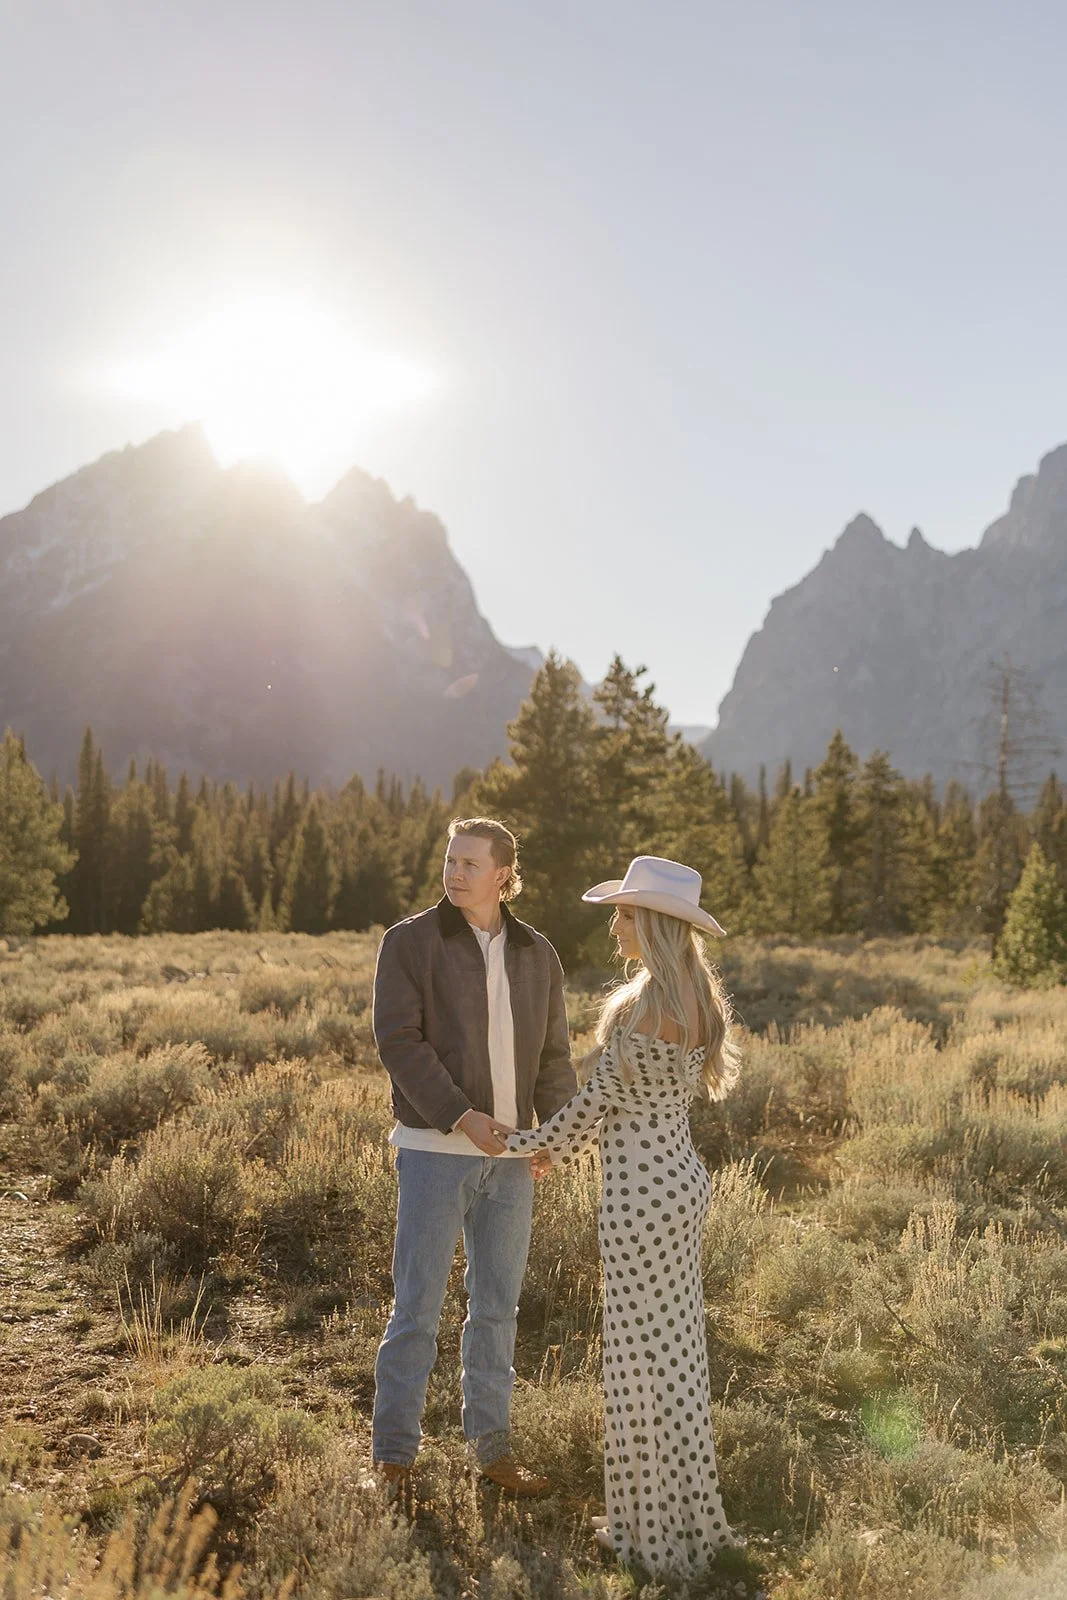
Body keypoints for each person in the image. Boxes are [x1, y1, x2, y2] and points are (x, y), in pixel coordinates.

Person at [504, 855, 742, 1577]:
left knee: (639, 1364)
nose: (614, 926)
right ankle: (678, 1518)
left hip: (638, 1197)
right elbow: (625, 1109)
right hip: (680, 1185)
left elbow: (591, 1108)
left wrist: (519, 1145)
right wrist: (550, 1146)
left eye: (625, 914)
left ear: (655, 925)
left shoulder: (645, 1006)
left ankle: (648, 1537)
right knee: (676, 1359)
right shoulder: (698, 995)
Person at [370, 817, 577, 1504]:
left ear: (503, 875)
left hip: (512, 1161)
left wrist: (555, 1130)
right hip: (435, 1152)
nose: (454, 873)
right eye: (449, 860)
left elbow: (552, 1056)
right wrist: (462, 1115)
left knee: (496, 1311)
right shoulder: (410, 941)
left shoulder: (536, 953)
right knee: (417, 1309)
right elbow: (398, 1041)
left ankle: (493, 1453)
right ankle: (394, 1461)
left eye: (468, 863)